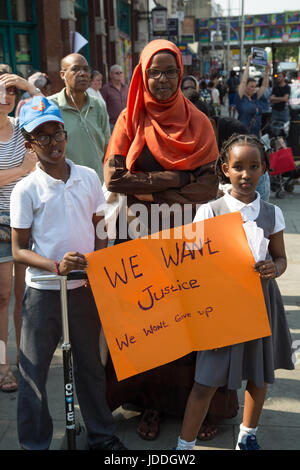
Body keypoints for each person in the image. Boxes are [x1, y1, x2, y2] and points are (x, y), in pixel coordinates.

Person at [103, 39, 219, 441]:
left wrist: (150, 190)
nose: (164, 79)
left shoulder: (199, 122)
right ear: (142, 74)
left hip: (188, 241)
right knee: (148, 323)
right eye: (155, 71)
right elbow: (115, 179)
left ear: (181, 72)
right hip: (140, 239)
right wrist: (181, 179)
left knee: (191, 327)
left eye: (171, 71)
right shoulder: (129, 121)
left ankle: (195, 405)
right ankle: (148, 404)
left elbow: (209, 187)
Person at [10, 96, 126, 450]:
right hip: (43, 293)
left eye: (56, 132)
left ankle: (102, 437)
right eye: (41, 137)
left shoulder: (88, 178)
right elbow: (19, 250)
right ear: (29, 145)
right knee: (33, 372)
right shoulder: (25, 189)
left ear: (66, 133)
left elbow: (97, 226)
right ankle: (35, 443)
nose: (52, 143)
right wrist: (55, 266)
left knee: (90, 365)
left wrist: (98, 262)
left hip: (83, 289)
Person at [176, 133, 294, 450]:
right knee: (206, 380)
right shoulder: (210, 211)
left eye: (254, 166)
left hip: (261, 302)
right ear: (225, 169)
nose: (246, 174)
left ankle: (247, 435)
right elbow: (191, 262)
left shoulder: (272, 213)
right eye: (238, 166)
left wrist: (275, 268)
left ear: (264, 170)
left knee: (259, 376)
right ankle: (184, 446)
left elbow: (280, 257)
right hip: (221, 308)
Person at [0, 65, 38, 392]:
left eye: (12, 90)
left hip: (25, 219)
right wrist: (22, 169)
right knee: (2, 296)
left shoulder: (21, 126)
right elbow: (27, 167)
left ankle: (25, 359)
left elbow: (50, 115)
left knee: (23, 296)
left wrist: (30, 87)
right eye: (2, 90)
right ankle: (3, 364)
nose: (7, 96)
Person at [49, 53, 110, 183]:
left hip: (98, 184)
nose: (82, 73)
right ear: (62, 75)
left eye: (86, 69)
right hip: (66, 185)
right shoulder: (51, 106)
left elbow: (107, 146)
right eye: (75, 69)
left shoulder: (98, 105)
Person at [234, 54, 270, 136]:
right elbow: (243, 81)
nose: (254, 89)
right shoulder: (241, 98)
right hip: (244, 135)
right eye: (251, 86)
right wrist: (248, 62)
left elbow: (264, 86)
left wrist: (267, 70)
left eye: (255, 86)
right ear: (245, 87)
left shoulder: (255, 97)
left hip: (256, 134)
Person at [101, 64, 129, 132]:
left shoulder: (126, 87)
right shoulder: (105, 88)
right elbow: (102, 106)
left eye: (121, 73)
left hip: (126, 123)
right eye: (117, 73)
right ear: (111, 75)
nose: (119, 74)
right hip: (112, 124)